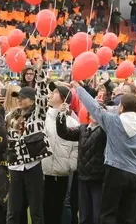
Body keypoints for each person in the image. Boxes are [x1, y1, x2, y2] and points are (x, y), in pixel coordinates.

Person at [72, 79, 136, 224]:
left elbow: (94, 108)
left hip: (114, 171)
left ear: (121, 108)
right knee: (128, 216)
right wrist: (135, 161)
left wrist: (80, 89)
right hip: (134, 174)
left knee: (108, 213)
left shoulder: (113, 121)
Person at [5, 60, 50, 224]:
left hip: (33, 167)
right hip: (15, 167)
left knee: (36, 211)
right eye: (18, 98)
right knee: (13, 212)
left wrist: (39, 75)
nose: (19, 100)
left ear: (32, 100)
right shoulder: (10, 116)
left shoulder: (39, 114)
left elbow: (43, 96)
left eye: (23, 98)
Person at [56, 85, 107, 224]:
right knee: (84, 214)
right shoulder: (83, 129)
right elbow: (64, 132)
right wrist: (61, 115)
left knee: (97, 214)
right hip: (83, 176)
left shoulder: (104, 131)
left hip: (98, 178)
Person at [42, 83, 79, 224]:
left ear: (64, 98)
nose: (51, 94)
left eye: (55, 92)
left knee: (58, 211)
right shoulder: (43, 119)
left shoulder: (72, 123)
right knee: (42, 210)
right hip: (43, 173)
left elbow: (76, 147)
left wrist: (70, 165)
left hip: (62, 173)